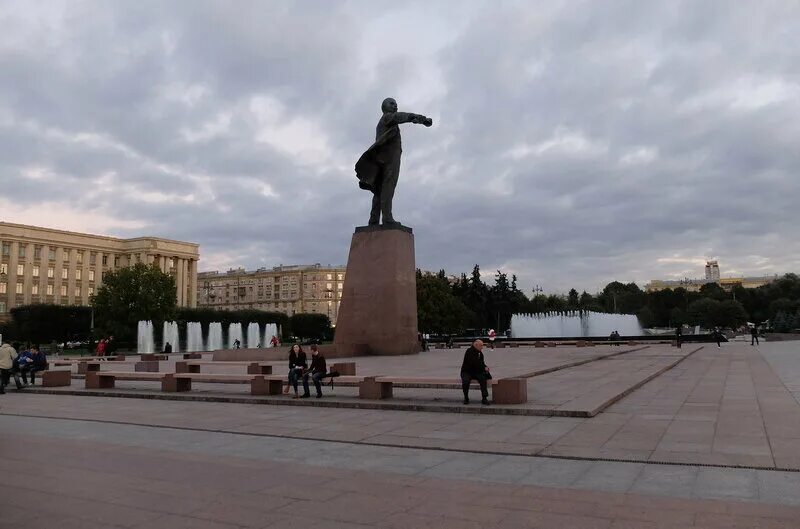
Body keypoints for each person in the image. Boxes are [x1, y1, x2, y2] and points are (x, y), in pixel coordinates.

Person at [355, 97, 433, 226]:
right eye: (392, 104)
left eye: (396, 104)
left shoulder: (383, 122)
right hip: (389, 160)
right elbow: (402, 116)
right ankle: (387, 218)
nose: (395, 106)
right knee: (388, 186)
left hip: (382, 159)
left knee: (379, 191)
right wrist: (422, 119)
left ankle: (373, 220)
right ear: (384, 106)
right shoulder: (387, 118)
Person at [460, 339, 490, 405]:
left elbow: (482, 363)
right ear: (476, 345)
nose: (482, 347)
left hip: (476, 371)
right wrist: (483, 368)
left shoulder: (480, 353)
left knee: (483, 379)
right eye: (481, 345)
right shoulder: (469, 351)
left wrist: (486, 367)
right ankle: (466, 397)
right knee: (465, 381)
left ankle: (484, 398)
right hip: (467, 371)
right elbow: (474, 363)